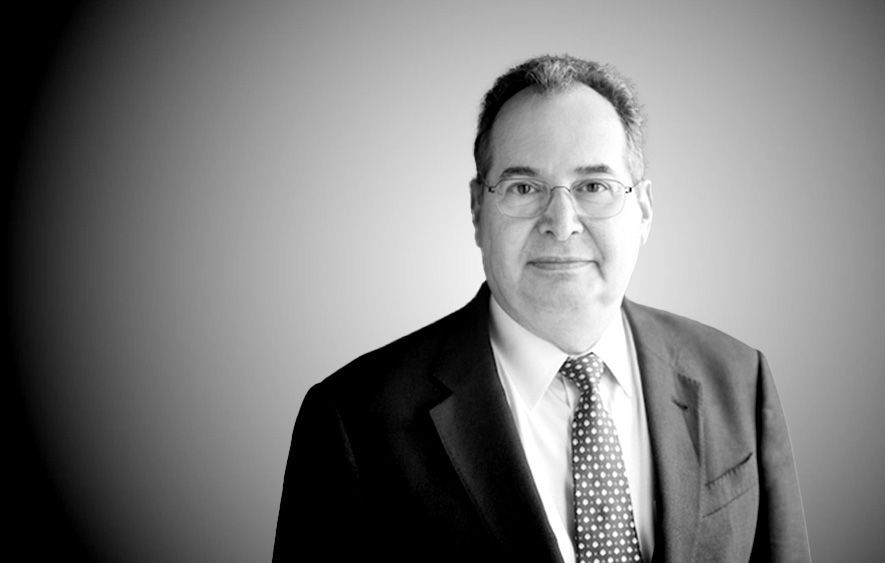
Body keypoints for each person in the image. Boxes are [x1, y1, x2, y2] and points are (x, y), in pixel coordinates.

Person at [273, 54, 811, 562]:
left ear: (643, 210)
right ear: (478, 209)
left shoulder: (739, 378)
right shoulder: (353, 421)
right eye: (525, 186)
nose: (562, 221)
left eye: (594, 185)